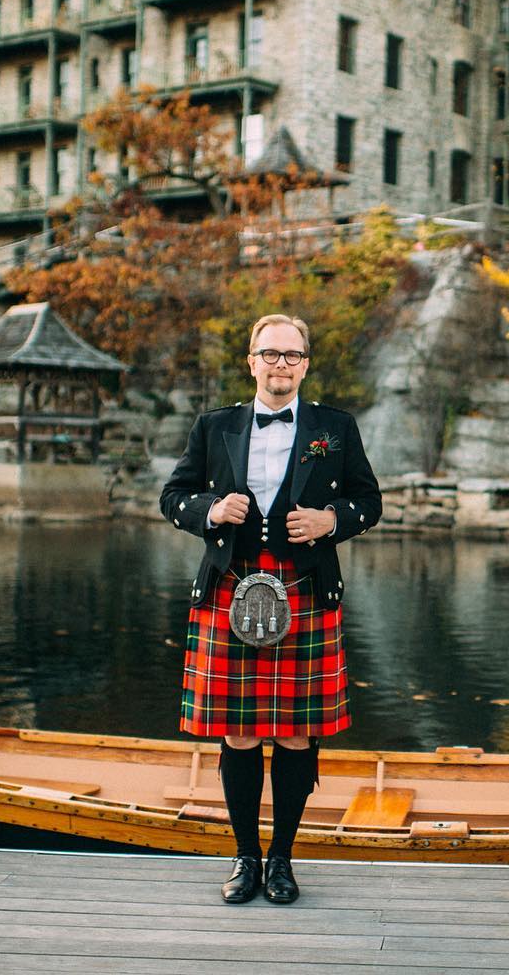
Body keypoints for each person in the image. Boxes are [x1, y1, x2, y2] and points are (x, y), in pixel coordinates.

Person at [160, 313, 381, 904]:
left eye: (292, 355)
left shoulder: (335, 427)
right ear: (251, 361)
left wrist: (330, 521)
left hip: (304, 588)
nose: (281, 364)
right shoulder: (215, 426)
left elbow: (370, 499)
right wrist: (210, 509)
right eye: (270, 354)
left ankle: (282, 859)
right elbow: (172, 496)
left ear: (305, 364)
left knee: (294, 736)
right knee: (236, 734)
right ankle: (244, 859)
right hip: (231, 587)